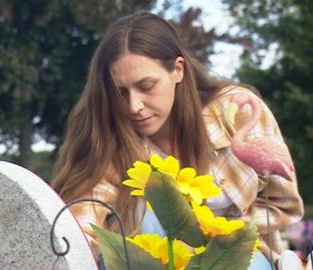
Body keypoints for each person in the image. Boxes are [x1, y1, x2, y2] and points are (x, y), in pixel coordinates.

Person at [51, 10, 304, 269]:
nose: (134, 106)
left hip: (237, 257)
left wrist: (222, 234)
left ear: (178, 70)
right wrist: (75, 244)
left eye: (146, 86)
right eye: (120, 92)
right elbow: (85, 214)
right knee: (154, 205)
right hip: (158, 262)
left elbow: (283, 205)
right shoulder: (109, 142)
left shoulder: (237, 111)